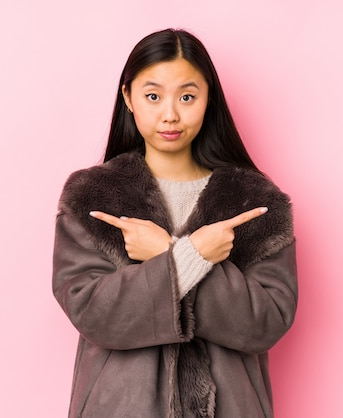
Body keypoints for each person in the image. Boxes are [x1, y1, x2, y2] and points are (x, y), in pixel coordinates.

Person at [52, 28, 298, 418]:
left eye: (187, 96)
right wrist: (191, 257)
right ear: (128, 98)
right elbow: (93, 314)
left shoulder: (255, 201)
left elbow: (266, 323)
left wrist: (171, 253)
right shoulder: (93, 197)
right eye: (153, 96)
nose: (170, 114)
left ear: (208, 100)